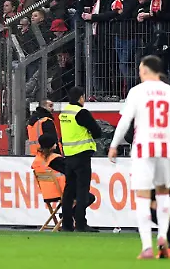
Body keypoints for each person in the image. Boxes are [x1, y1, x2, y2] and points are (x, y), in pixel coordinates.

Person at [109, 55, 170, 259]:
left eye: (140, 69)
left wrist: (114, 145)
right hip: (165, 148)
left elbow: (125, 121)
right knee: (163, 197)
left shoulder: (137, 92)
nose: (139, 72)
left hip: (143, 148)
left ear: (146, 70)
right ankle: (163, 236)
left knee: (143, 198)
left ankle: (147, 246)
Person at [58, 86, 102, 233]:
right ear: (81, 98)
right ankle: (81, 224)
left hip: (68, 156)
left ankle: (67, 225)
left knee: (69, 191)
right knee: (82, 191)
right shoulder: (81, 112)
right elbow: (97, 132)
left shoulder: (64, 113)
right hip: (82, 155)